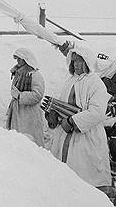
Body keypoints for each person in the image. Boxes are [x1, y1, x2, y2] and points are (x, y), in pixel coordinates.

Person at [48, 45, 112, 188]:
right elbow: (62, 104)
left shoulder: (95, 83)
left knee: (84, 175)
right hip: (65, 134)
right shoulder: (70, 81)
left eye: (79, 61)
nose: (76, 64)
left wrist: (72, 121)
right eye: (74, 61)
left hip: (86, 136)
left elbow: (97, 112)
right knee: (64, 172)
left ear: (87, 62)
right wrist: (53, 113)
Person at [5, 47, 46, 147]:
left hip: (29, 115)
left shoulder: (36, 76)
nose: (18, 61)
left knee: (31, 141)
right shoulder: (19, 74)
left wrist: (20, 96)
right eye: (17, 59)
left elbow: (37, 95)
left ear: (26, 60)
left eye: (20, 59)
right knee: (18, 140)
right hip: (17, 112)